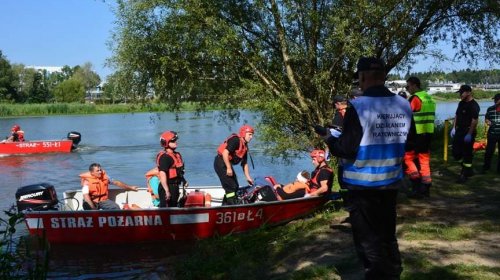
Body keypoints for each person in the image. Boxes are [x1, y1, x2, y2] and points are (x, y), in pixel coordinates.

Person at [317, 57, 411, 279]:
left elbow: (346, 149)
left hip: (362, 186)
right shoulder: (403, 103)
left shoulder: (358, 106)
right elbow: (411, 140)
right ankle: (394, 273)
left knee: (368, 240)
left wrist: (329, 138)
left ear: (363, 77)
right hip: (390, 183)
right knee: (387, 235)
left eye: (358, 77)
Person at [404, 76, 436, 197]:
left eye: (408, 86)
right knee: (423, 159)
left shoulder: (415, 98)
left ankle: (416, 183)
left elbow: (405, 113)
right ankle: (426, 186)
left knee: (408, 158)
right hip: (428, 133)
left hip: (415, 134)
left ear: (414, 85)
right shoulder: (429, 97)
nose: (407, 89)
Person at [214, 125, 255, 205]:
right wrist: (229, 168)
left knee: (235, 186)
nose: (251, 137)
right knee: (231, 186)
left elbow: (244, 163)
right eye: (249, 134)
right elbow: (225, 153)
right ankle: (232, 205)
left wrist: (248, 177)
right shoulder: (235, 140)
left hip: (226, 164)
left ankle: (225, 205)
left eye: (252, 134)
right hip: (220, 162)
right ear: (243, 133)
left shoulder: (245, 146)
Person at [450, 85, 480, 183]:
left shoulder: (474, 105)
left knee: (467, 153)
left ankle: (464, 175)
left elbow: (474, 120)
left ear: (468, 92)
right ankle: (468, 170)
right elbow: (457, 115)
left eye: (461, 92)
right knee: (455, 153)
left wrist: (470, 133)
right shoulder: (461, 103)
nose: (460, 94)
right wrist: (453, 128)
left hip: (468, 131)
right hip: (459, 131)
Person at [156, 130, 188, 207]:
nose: (175, 142)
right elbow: (162, 174)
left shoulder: (176, 155)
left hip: (175, 186)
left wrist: (184, 181)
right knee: (167, 210)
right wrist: (167, 191)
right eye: (173, 141)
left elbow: (178, 171)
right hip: (167, 187)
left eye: (175, 140)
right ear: (166, 143)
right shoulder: (165, 157)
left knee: (173, 207)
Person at [482, 93, 500, 174]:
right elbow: (486, 118)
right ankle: (486, 167)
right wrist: (488, 122)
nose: (495, 101)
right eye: (494, 100)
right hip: (492, 133)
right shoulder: (490, 109)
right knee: (489, 151)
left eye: (496, 100)